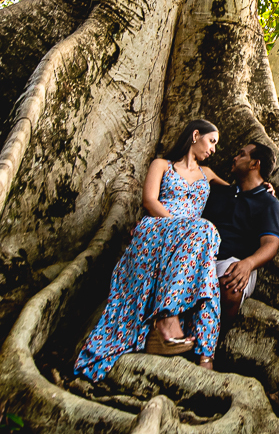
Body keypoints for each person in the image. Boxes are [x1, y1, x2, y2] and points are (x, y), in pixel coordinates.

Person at [75, 120, 225, 379]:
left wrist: (266, 189)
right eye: (212, 141)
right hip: (157, 229)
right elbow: (149, 200)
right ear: (196, 135)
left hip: (191, 242)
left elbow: (239, 193)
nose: (213, 149)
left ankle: (205, 356)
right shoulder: (161, 165)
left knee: (207, 272)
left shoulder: (208, 174)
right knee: (205, 230)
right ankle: (166, 321)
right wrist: (177, 226)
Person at [202, 142, 279, 326]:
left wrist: (249, 263)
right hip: (200, 256)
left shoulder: (270, 204)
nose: (235, 157)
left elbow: (271, 244)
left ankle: (210, 344)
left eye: (241, 154)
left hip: (235, 261)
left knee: (231, 286)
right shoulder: (219, 192)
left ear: (254, 164)